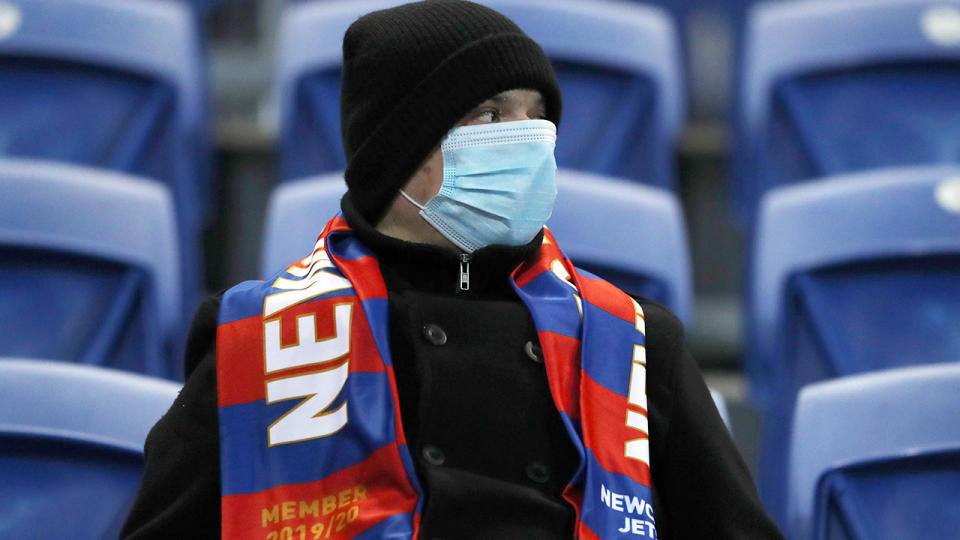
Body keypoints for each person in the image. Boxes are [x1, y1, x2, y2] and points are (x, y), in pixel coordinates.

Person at [121, 1, 783, 538]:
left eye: (537, 116)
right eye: (490, 115)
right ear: (397, 150)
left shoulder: (634, 342)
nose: (526, 139)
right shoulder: (258, 337)